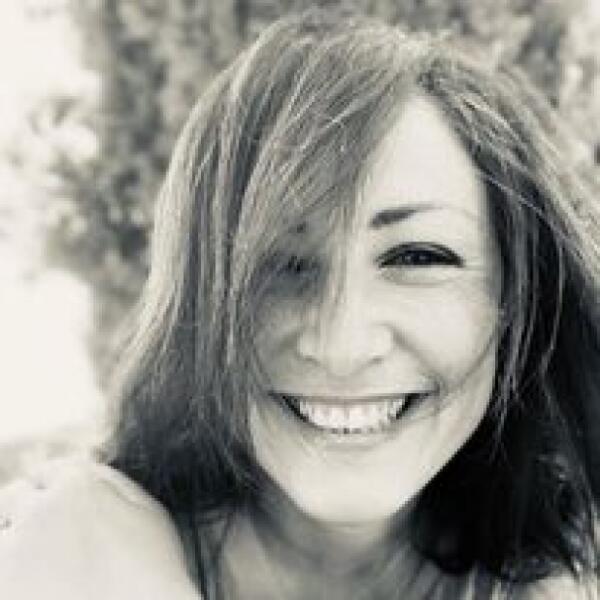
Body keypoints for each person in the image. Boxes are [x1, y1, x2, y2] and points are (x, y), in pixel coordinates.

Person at [1, 8, 599, 599]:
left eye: (416, 257)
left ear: (517, 302)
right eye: (281, 264)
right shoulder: (59, 556)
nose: (341, 345)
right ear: (196, 305)